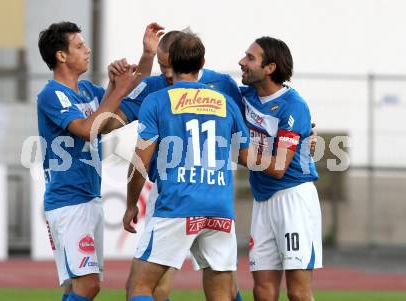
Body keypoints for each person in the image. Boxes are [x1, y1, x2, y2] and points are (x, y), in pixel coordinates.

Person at [111, 30, 245, 301]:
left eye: (165, 64)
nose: (165, 72)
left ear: (173, 59)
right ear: (201, 61)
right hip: (217, 200)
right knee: (219, 292)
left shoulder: (160, 98)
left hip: (176, 199)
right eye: (160, 65)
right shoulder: (225, 99)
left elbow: (139, 161)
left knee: (140, 286)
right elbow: (248, 153)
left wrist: (130, 204)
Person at [36, 21, 163, 301]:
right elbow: (86, 129)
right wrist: (117, 89)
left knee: (79, 287)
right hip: (68, 201)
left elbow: (124, 97)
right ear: (61, 55)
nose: (87, 49)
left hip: (88, 198)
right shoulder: (52, 94)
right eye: (79, 46)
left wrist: (147, 56)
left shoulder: (86, 91)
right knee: (88, 285)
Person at [238, 37, 322, 301]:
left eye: (250, 58)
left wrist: (237, 154)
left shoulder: (293, 105)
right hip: (262, 200)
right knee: (262, 290)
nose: (242, 62)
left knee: (297, 292)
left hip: (293, 199)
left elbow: (277, 168)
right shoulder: (244, 95)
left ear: (270, 67)